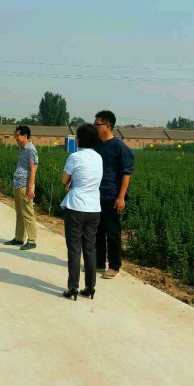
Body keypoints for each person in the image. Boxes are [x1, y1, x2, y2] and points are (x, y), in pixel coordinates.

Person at [60, 124, 103, 300]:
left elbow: (64, 179)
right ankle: (90, 287)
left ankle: (73, 287)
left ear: (80, 139)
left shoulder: (75, 156)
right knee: (90, 248)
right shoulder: (99, 157)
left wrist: (69, 184)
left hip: (76, 206)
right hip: (94, 208)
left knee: (74, 248)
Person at [94, 110, 135, 279]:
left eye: (97, 124)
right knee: (96, 231)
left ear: (108, 125)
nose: (95, 127)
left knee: (112, 232)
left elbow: (126, 174)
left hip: (112, 195)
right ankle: (98, 263)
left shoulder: (120, 148)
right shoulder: (96, 145)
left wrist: (121, 197)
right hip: (95, 194)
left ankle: (114, 266)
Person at [4, 125, 38, 250]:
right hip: (18, 183)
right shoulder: (22, 148)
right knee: (19, 213)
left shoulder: (31, 149)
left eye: (17, 135)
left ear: (25, 136)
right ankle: (18, 238)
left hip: (25, 185)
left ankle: (32, 240)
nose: (15, 138)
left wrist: (30, 188)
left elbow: (33, 169)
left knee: (28, 213)